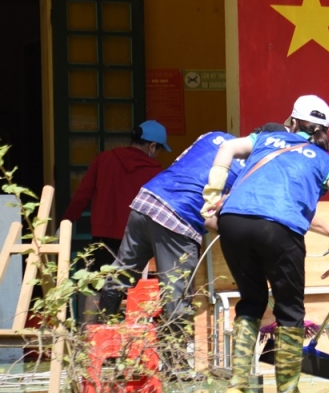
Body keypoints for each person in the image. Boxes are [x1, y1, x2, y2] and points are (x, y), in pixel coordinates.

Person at [201, 96, 329, 393]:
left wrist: (213, 190)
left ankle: (239, 383)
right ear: (324, 129)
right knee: (290, 310)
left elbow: (227, 148)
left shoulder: (266, 138)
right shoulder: (323, 160)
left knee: (251, 301)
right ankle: (288, 392)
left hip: (232, 222)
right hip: (280, 230)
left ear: (291, 119)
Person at [97, 130, 249, 377]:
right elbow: (212, 216)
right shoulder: (249, 167)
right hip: (177, 218)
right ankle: (175, 367)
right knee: (176, 294)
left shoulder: (212, 136)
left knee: (120, 274)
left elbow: (183, 165)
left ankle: (102, 350)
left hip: (146, 200)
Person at [64, 120, 169, 266]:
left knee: (100, 284)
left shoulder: (103, 160)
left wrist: (65, 222)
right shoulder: (156, 173)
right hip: (136, 242)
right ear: (152, 147)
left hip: (102, 239)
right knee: (129, 286)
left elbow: (81, 196)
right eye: (159, 150)